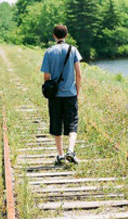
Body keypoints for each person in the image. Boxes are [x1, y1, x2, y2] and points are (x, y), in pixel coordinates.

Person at [40, 25, 82, 165]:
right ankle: (71, 150)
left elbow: (47, 76)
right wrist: (77, 92)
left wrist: (51, 89)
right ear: (66, 35)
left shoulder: (49, 52)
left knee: (56, 123)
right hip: (70, 94)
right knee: (72, 124)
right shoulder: (73, 50)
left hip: (55, 96)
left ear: (54, 35)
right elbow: (79, 74)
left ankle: (60, 155)